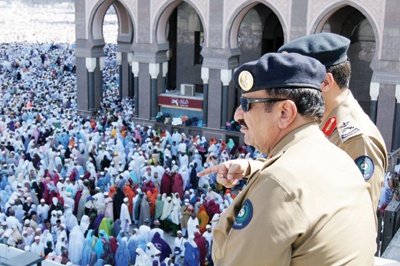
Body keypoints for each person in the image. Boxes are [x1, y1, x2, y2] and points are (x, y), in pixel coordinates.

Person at [197, 52, 376, 265]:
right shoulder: (338, 157)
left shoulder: (279, 184)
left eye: (247, 105)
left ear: (285, 113)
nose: (237, 115)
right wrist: (252, 168)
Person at [277, 32, 388, 211]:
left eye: (299, 83)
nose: (291, 92)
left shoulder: (357, 140)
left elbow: (360, 218)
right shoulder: (318, 121)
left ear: (326, 83)